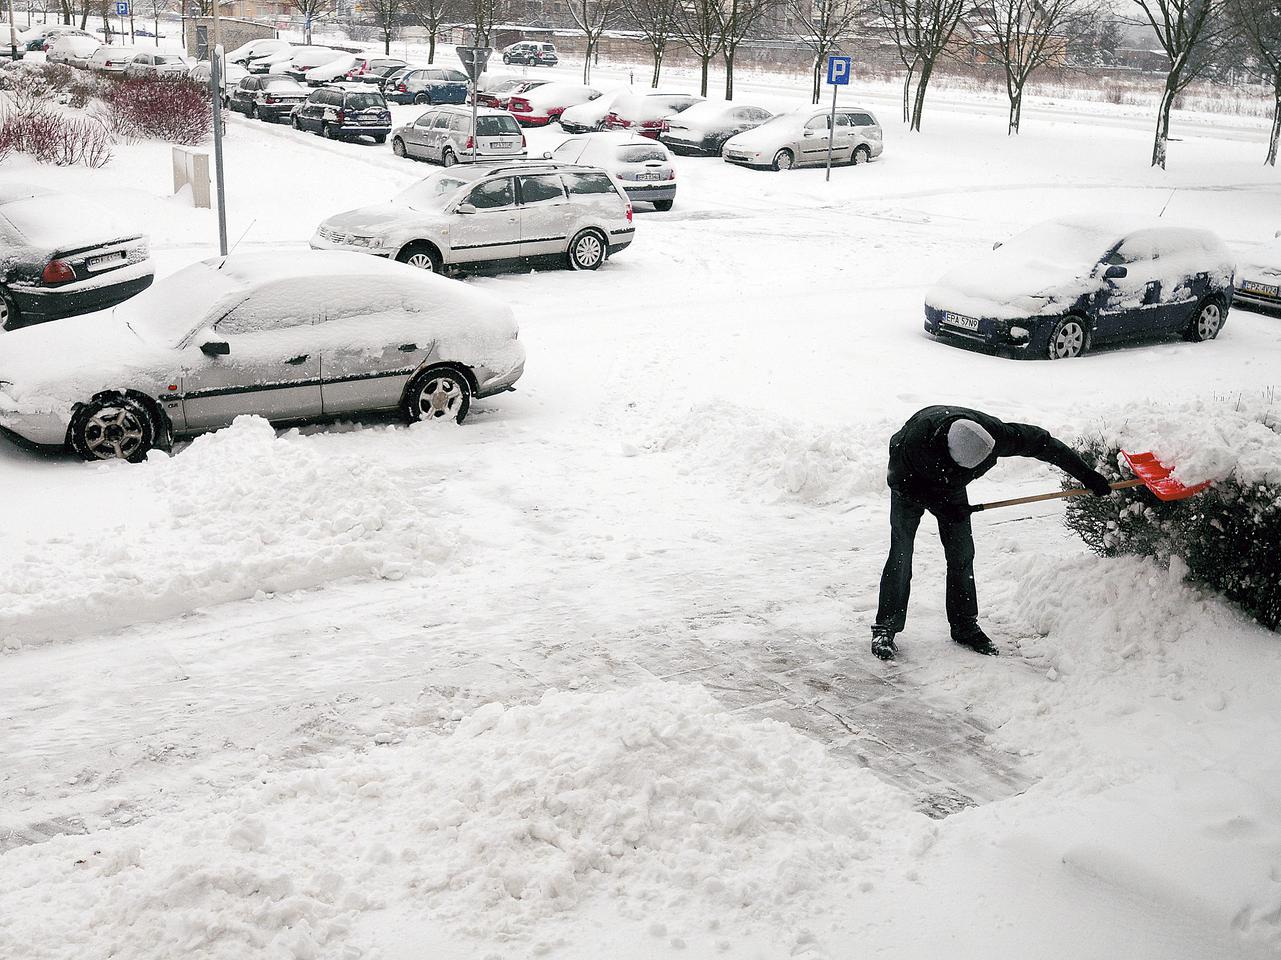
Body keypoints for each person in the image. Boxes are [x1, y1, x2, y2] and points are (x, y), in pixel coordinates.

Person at [870, 405, 1113, 661]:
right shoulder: (913, 445)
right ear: (951, 456)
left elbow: (1043, 444)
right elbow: (898, 482)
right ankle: (886, 626)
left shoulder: (993, 434)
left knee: (962, 553)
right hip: (910, 484)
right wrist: (940, 505)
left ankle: (964, 625)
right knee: (901, 550)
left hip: (950, 485)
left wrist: (1086, 474)